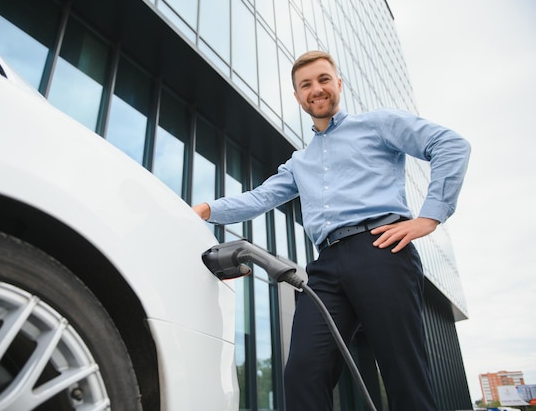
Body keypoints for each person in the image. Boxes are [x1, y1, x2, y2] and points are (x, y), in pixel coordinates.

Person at [192, 50, 470, 411]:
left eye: (324, 79)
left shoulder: (378, 124)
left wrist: (429, 216)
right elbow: (259, 198)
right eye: (305, 85)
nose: (316, 89)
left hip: (382, 249)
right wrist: (206, 210)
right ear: (297, 97)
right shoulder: (299, 162)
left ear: (338, 83)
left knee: (403, 373)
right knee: (304, 372)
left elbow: (450, 145)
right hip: (326, 266)